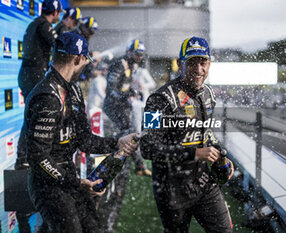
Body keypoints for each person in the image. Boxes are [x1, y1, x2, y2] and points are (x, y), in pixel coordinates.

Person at [23, 32, 138, 233]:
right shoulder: (47, 96)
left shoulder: (74, 91)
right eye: (86, 61)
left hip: (68, 178)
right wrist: (77, 182)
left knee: (94, 228)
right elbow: (37, 157)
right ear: (78, 58)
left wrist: (118, 142)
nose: (87, 65)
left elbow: (84, 140)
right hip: (47, 185)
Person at [140, 36, 234, 233]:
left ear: (209, 64)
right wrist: (194, 153)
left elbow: (206, 135)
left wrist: (220, 156)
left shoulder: (209, 94)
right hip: (171, 190)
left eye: (203, 62)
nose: (199, 70)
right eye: (192, 63)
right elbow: (147, 147)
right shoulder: (159, 99)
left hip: (204, 182)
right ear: (180, 63)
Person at [15, 1, 62, 232]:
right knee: (33, 116)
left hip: (29, 72)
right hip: (33, 72)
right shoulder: (43, 24)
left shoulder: (37, 22)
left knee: (31, 116)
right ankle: (23, 156)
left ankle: (24, 155)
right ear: (55, 12)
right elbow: (58, 43)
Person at [99, 39, 151, 229]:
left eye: (141, 54)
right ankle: (131, 165)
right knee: (130, 134)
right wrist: (127, 95)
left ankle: (133, 164)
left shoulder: (130, 65)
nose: (139, 57)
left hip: (121, 107)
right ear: (129, 52)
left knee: (130, 134)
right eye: (137, 53)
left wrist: (132, 92)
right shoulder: (119, 64)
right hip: (114, 109)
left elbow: (122, 87)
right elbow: (112, 90)